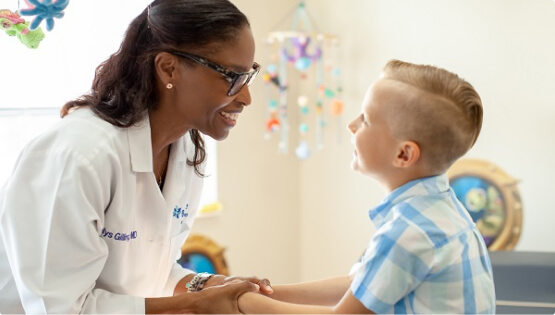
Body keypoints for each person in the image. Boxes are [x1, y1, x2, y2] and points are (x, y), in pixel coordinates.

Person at [0, 0, 274, 313]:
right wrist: (198, 303)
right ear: (168, 67)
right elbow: (59, 309)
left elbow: (151, 274)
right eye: (231, 77)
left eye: (248, 75)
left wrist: (209, 285)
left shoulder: (186, 152)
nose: (246, 97)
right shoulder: (79, 156)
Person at [238, 60, 496, 314]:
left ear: (404, 155)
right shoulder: (444, 212)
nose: (352, 125)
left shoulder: (408, 232)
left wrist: (241, 303)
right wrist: (260, 292)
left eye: (366, 120)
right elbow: (360, 285)